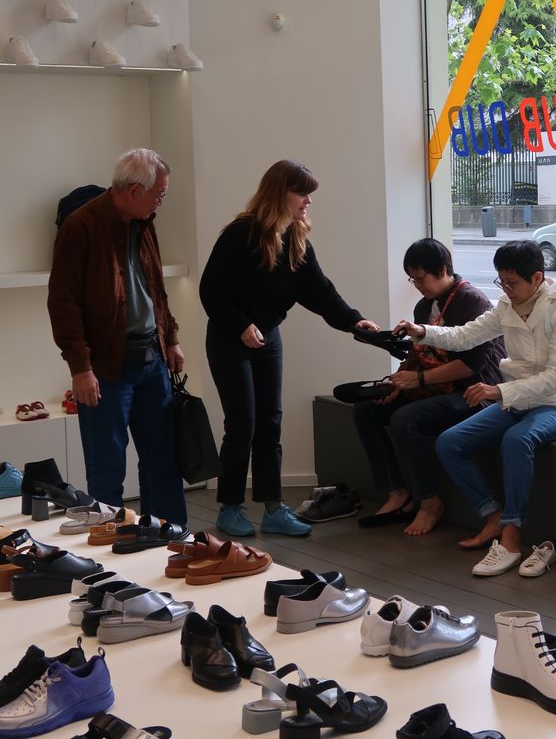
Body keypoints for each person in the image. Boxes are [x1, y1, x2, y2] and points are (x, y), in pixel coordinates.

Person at [199, 159, 378, 538]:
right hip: (230, 339)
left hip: (267, 338)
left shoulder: (296, 240)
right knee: (242, 424)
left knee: (270, 422)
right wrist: (241, 325)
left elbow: (320, 292)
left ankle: (273, 508)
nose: (308, 201)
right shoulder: (240, 234)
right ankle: (230, 508)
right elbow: (210, 290)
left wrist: (354, 321)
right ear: (280, 193)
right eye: (302, 193)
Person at [395, 240, 556, 576]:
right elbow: (464, 336)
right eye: (501, 281)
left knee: (516, 439)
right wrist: (422, 331)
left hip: (554, 406)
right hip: (514, 400)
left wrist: (498, 391)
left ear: (537, 278)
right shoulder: (507, 305)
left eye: (512, 283)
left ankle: (511, 536)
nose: (505, 289)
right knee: (450, 442)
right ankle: (492, 515)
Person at [47, 148, 187, 525]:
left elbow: (155, 287)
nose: (160, 202)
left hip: (152, 359)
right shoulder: (80, 226)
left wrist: (171, 337)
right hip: (106, 368)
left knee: (163, 462)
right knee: (107, 472)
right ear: (134, 190)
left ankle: (170, 538)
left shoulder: (144, 223)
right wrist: (80, 368)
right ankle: (107, 547)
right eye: (159, 194)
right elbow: (62, 303)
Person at [354, 238, 505, 536]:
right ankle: (396, 492)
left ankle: (429, 501)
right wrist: (399, 382)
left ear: (443, 270)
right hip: (439, 388)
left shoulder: (472, 301)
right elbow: (418, 356)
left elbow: (471, 365)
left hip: (475, 391)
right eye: (413, 279)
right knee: (366, 411)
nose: (417, 285)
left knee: (405, 418)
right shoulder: (424, 306)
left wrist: (419, 380)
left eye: (420, 278)